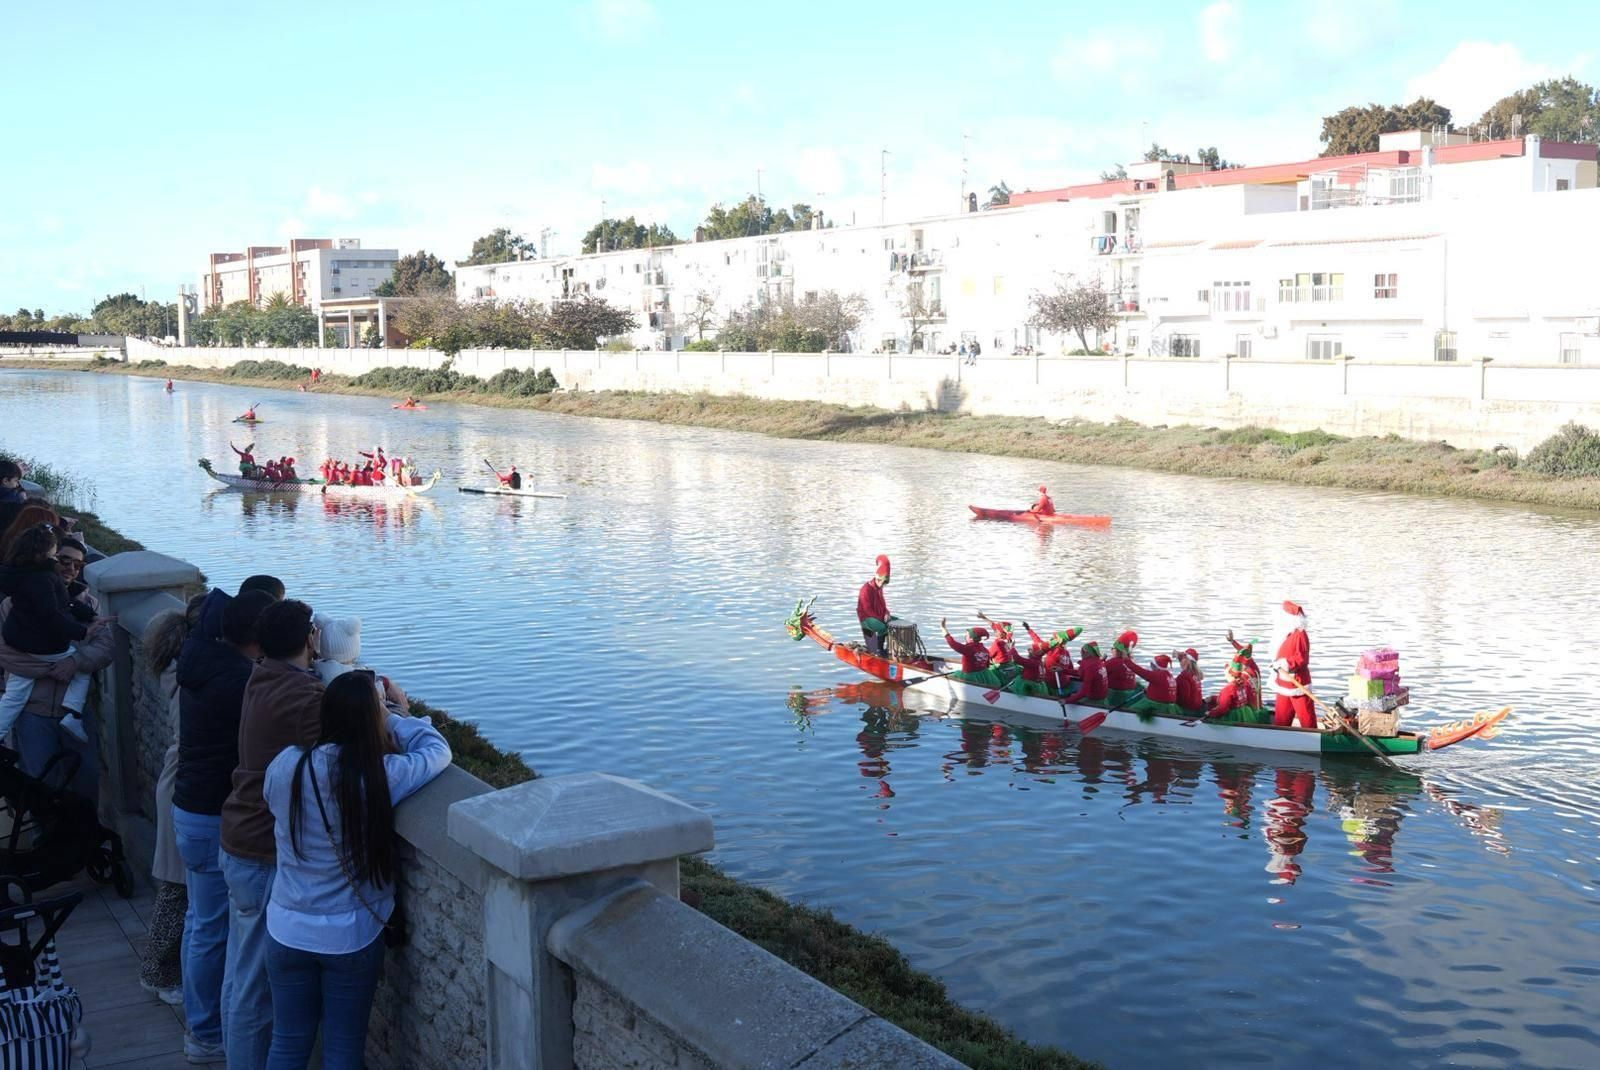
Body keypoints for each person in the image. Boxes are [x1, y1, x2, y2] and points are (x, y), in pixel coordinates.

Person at [264, 672, 449, 1069]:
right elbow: (437, 749)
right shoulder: (379, 776)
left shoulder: (286, 764)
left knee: (287, 1042)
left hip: (286, 928)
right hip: (349, 935)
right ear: (371, 719)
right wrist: (396, 715)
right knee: (343, 1050)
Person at [220, 598, 327, 1068]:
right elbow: (359, 743)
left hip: (238, 838)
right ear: (309, 639)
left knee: (239, 971)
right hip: (263, 850)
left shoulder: (262, 676)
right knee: (256, 988)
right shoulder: (304, 696)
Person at [174, 587, 277, 1065]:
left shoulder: (200, 657)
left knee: (201, 923)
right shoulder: (238, 680)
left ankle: (200, 1028)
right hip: (216, 814)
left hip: (189, 808)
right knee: (221, 933)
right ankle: (208, 1034)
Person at [139, 599, 205, 1006]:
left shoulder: (177, 669)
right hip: (183, 783)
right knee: (176, 888)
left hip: (177, 781)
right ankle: (159, 972)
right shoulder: (190, 676)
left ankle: (161, 970)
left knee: (177, 885)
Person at [0, 524, 104, 744]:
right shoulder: (12, 604)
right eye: (64, 560)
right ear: (51, 557)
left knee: (13, 698)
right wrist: (51, 668)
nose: (71, 568)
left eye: (79, 564)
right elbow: (4, 652)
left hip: (80, 713)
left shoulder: (91, 604)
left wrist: (76, 662)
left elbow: (105, 648)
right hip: (33, 712)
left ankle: (73, 714)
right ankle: (73, 713)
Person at [1271, 600, 1314, 728]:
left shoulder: (1300, 635)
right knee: (1282, 716)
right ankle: (1280, 733)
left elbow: (1302, 659)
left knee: (1306, 716)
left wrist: (1284, 663)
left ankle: (1313, 734)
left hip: (1297, 683)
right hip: (1284, 683)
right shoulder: (1288, 633)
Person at [855, 555, 894, 657]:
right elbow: (867, 610)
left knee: (897, 623)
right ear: (877, 578)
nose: (882, 584)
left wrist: (887, 613)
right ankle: (879, 649)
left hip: (879, 616)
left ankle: (894, 650)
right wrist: (881, 618)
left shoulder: (879, 590)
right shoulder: (865, 589)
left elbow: (883, 605)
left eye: (884, 582)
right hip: (867, 618)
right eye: (881, 581)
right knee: (883, 627)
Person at [1064, 641, 1108, 705]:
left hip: (1094, 699)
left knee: (1071, 700)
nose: (1081, 653)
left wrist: (1066, 701)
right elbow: (1079, 673)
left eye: (1083, 651)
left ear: (1089, 653)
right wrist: (1063, 670)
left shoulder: (1090, 667)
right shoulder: (1099, 661)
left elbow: (1084, 692)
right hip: (1103, 696)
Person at [1104, 630, 1141, 706]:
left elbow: (1097, 671)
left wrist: (1101, 661)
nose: (1111, 651)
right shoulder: (1131, 662)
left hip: (1116, 696)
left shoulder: (1113, 662)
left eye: (1113, 648)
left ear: (1117, 651)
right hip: (1129, 694)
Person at [1175, 648, 1205, 714]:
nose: (1180, 661)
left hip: (1188, 710)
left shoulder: (1183, 676)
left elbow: (1183, 699)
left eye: (1181, 659)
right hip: (1197, 708)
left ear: (1187, 661)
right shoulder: (1196, 674)